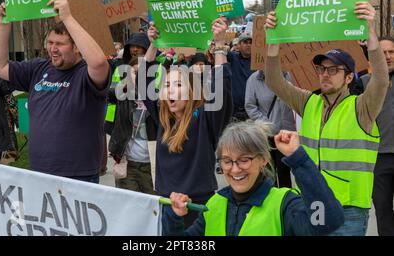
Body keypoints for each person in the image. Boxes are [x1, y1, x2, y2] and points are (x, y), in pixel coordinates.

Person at [264, 2, 389, 235]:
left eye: (333, 70)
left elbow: (381, 81)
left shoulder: (361, 107)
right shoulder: (309, 102)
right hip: (312, 202)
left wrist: (370, 33)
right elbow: (274, 81)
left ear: (349, 77)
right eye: (322, 69)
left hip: (348, 208)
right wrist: (272, 43)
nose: (325, 75)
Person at [0, 0, 110, 183]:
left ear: (77, 48)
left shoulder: (86, 75)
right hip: (39, 172)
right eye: (50, 42)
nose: (52, 49)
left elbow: (98, 63)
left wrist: (68, 18)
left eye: (60, 44)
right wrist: (3, 25)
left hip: (79, 176)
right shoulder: (38, 68)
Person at [165, 121, 344, 236]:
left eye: (244, 160)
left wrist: (298, 159)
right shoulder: (214, 204)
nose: (235, 169)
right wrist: (174, 217)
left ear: (263, 159)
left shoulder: (284, 204)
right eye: (227, 161)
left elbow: (327, 222)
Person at [139, 18, 233, 228]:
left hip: (197, 205)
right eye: (167, 85)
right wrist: (154, 44)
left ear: (192, 91)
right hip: (166, 201)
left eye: (178, 85)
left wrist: (219, 45)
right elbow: (144, 80)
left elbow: (223, 87)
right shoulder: (163, 118)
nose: (170, 90)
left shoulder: (205, 119)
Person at [108, 57, 157, 194]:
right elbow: (106, 93)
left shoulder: (157, 97)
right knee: (129, 206)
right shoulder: (123, 95)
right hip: (127, 163)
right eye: (135, 72)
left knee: (152, 207)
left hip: (152, 165)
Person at [361, 36, 394, 236]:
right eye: (382, 53)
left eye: (391, 52)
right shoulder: (363, 83)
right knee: (382, 211)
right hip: (377, 159)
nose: (388, 57)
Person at [245, 70, 296, 187]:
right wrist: (267, 124)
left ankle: (284, 200)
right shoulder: (254, 79)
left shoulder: (290, 75)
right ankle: (270, 200)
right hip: (265, 134)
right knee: (269, 171)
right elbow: (250, 106)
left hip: (286, 133)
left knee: (284, 169)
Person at [227, 31, 255, 121]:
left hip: (254, 112)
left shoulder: (258, 62)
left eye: (251, 43)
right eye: (245, 42)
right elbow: (221, 50)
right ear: (238, 45)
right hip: (235, 111)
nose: (248, 45)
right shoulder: (233, 58)